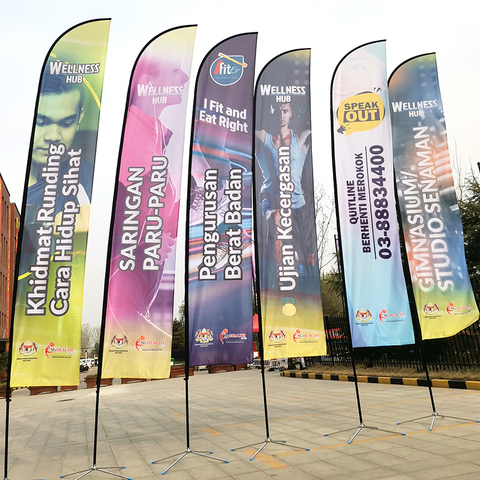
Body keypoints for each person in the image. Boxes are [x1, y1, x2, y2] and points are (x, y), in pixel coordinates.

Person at [255, 100, 316, 277]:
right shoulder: (266, 139)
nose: (281, 116)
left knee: (306, 250)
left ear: (291, 113)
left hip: (297, 203)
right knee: (277, 223)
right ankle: (276, 274)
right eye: (278, 112)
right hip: (273, 200)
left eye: (285, 111)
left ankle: (305, 275)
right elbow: (246, 125)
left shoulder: (300, 139)